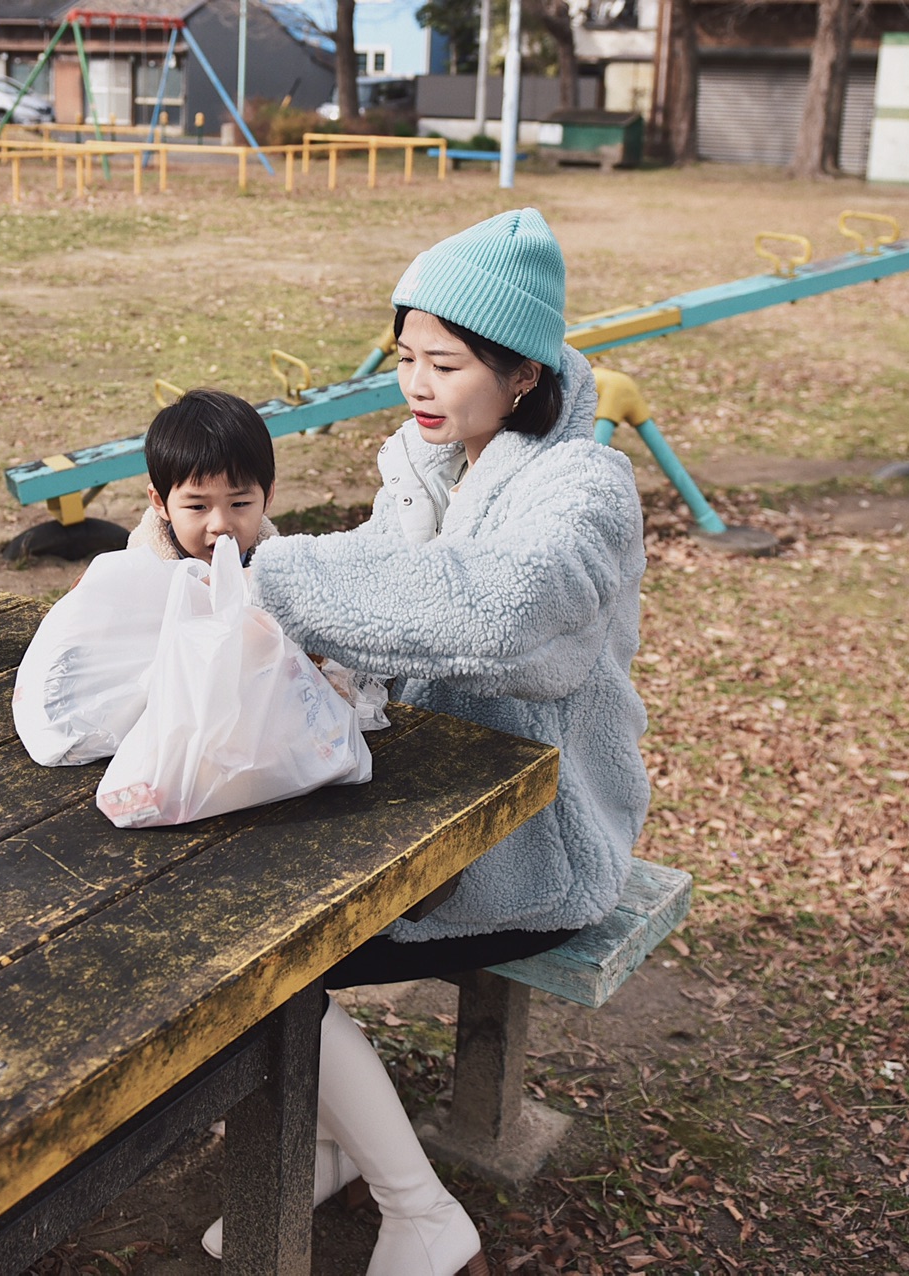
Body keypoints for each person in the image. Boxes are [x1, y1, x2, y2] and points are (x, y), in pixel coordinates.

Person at [208, 208, 650, 1275]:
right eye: (406, 357)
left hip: (540, 843)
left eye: (445, 364)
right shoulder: (426, 460)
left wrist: (279, 578)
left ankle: (419, 1208)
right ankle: (331, 1145)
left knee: (270, 960)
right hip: (430, 801)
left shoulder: (583, 492)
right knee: (239, 899)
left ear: (525, 376)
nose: (416, 385)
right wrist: (239, 557)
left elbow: (497, 608)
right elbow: (375, 564)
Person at [129, 388, 279, 565]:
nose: (220, 525)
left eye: (239, 503)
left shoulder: (283, 573)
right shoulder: (136, 580)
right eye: (198, 506)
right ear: (160, 501)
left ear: (267, 496)